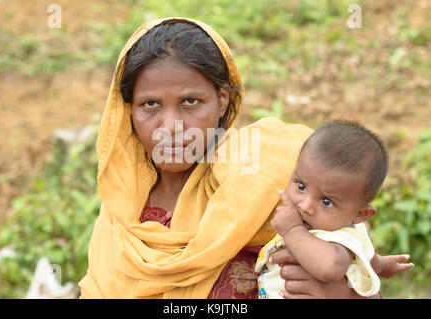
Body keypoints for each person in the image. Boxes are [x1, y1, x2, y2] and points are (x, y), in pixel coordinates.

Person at [78, 17, 404, 299]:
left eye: (190, 101)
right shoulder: (123, 210)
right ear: (129, 112)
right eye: (150, 105)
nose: (170, 128)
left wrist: (343, 294)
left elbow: (359, 272)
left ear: (221, 100)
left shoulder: (274, 177)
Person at [256, 120, 414, 298]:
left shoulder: (337, 237)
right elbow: (364, 257)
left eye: (326, 201)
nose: (305, 206)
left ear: (360, 214)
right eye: (301, 186)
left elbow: (330, 268)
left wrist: (293, 230)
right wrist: (382, 266)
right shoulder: (339, 224)